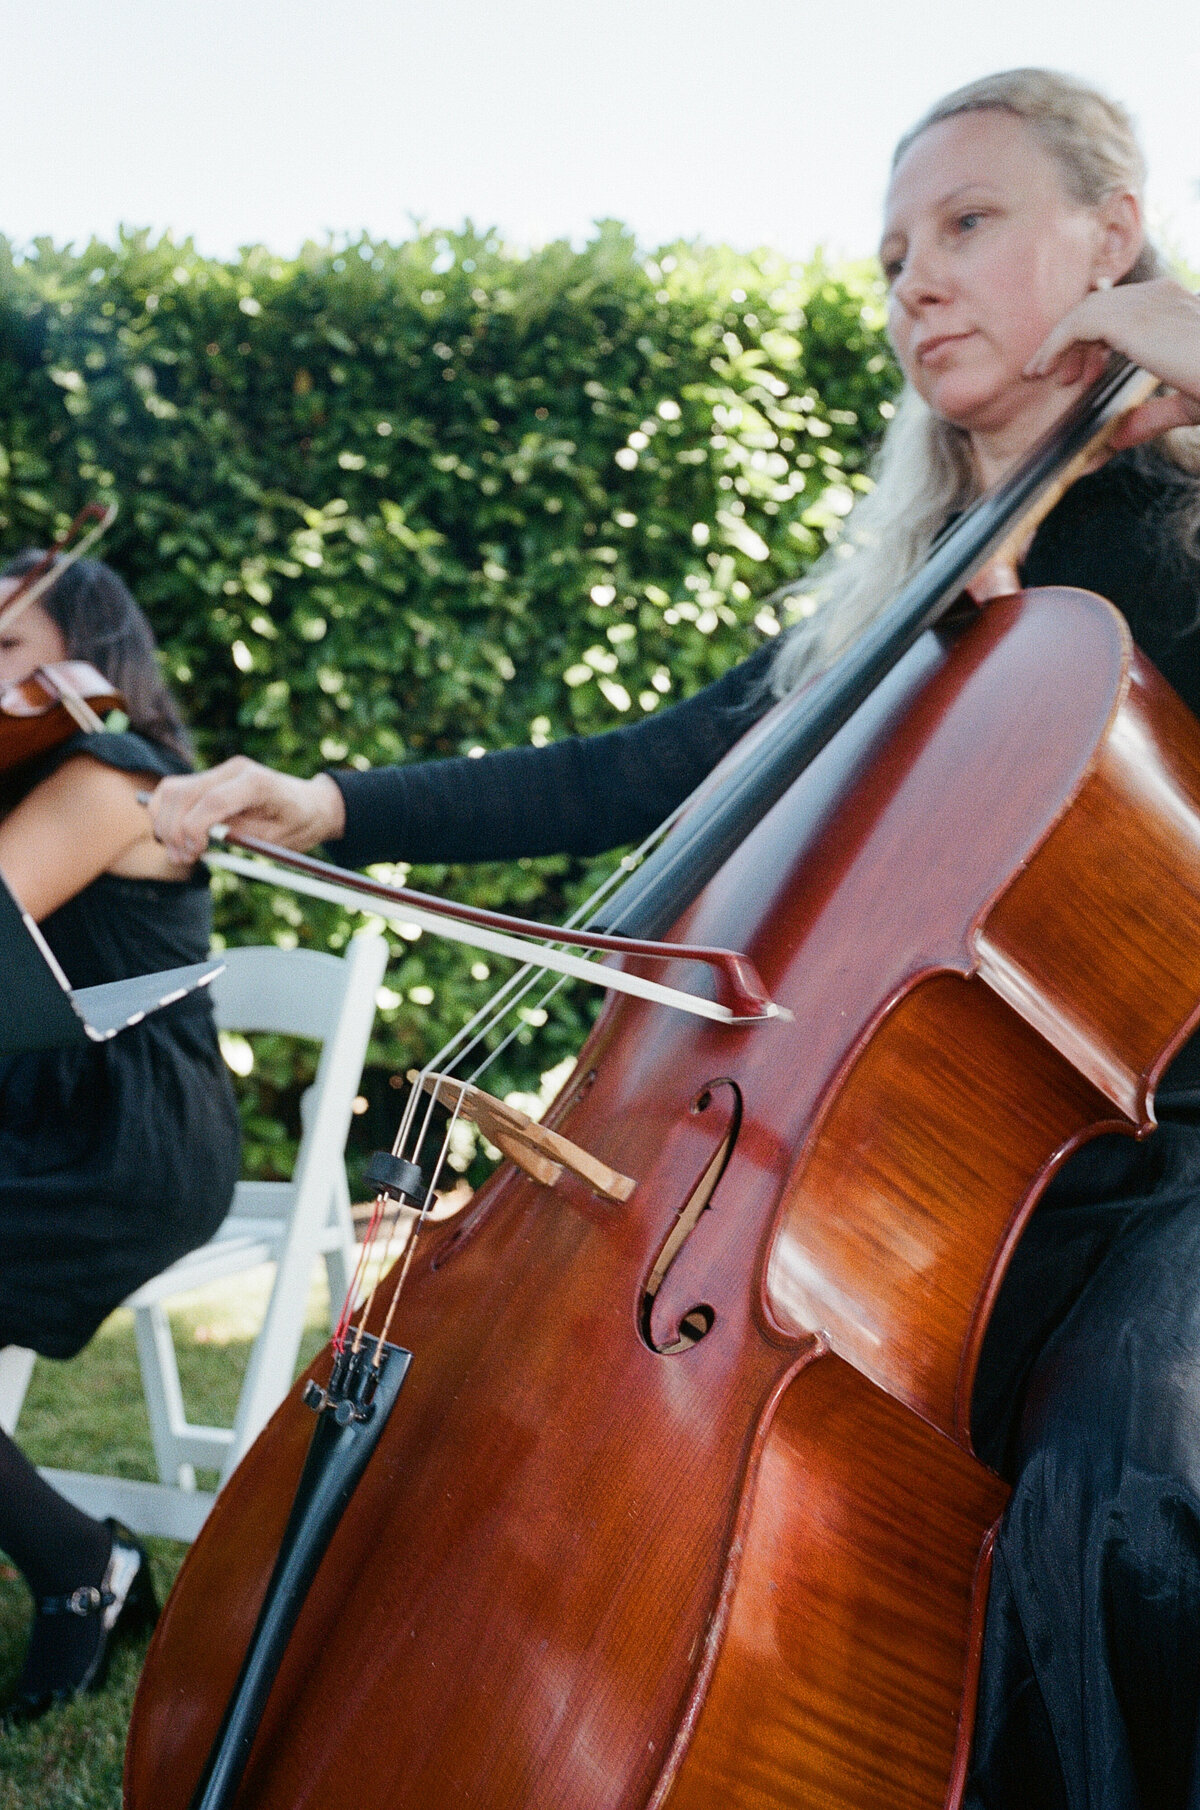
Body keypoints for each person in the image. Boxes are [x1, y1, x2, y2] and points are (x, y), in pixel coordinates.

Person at [149, 69, 1200, 1809]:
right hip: (880, 1186)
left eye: (968, 224)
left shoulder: (1175, 542)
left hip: (1162, 1171)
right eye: (888, 258)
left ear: (1108, 236)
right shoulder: (914, 581)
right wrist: (335, 803)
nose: (912, 283)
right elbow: (658, 762)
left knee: (1121, 1483)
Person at [0, 553, 240, 1721]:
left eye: (6, 651)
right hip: (47, 1114)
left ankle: (81, 1571)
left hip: (132, 1136)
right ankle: (80, 1564)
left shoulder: (108, 777)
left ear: (87, 661)